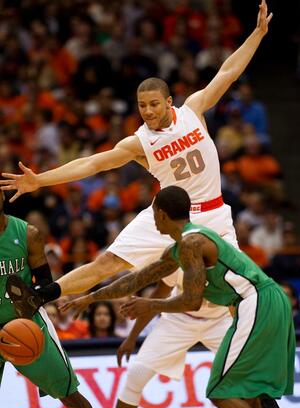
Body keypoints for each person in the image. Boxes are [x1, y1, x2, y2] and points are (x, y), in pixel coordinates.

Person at [1, 1, 272, 300]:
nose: (148, 111)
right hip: (167, 215)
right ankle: (40, 295)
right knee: (107, 263)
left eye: (154, 104)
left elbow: (228, 72)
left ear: (169, 102)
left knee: (240, 291)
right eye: (142, 106)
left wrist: (257, 34)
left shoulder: (193, 110)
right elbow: (92, 164)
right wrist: (40, 180)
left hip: (213, 214)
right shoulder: (139, 142)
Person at [59, 186, 295, 408]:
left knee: (221, 391)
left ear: (159, 214)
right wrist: (90, 298)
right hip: (256, 303)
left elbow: (191, 301)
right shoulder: (181, 246)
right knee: (235, 390)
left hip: (255, 302)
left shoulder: (193, 242)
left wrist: (150, 304)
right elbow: (137, 279)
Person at [0, 192, 109, 408]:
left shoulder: (28, 234)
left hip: (25, 325)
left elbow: (46, 284)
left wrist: (32, 298)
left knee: (71, 395)